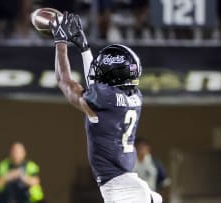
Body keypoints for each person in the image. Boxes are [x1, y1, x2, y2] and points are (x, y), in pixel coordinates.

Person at [48, 12, 163, 203]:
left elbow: (63, 81)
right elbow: (96, 86)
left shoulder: (104, 99)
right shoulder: (135, 96)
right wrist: (83, 47)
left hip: (124, 192)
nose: (97, 70)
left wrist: (60, 41)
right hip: (130, 186)